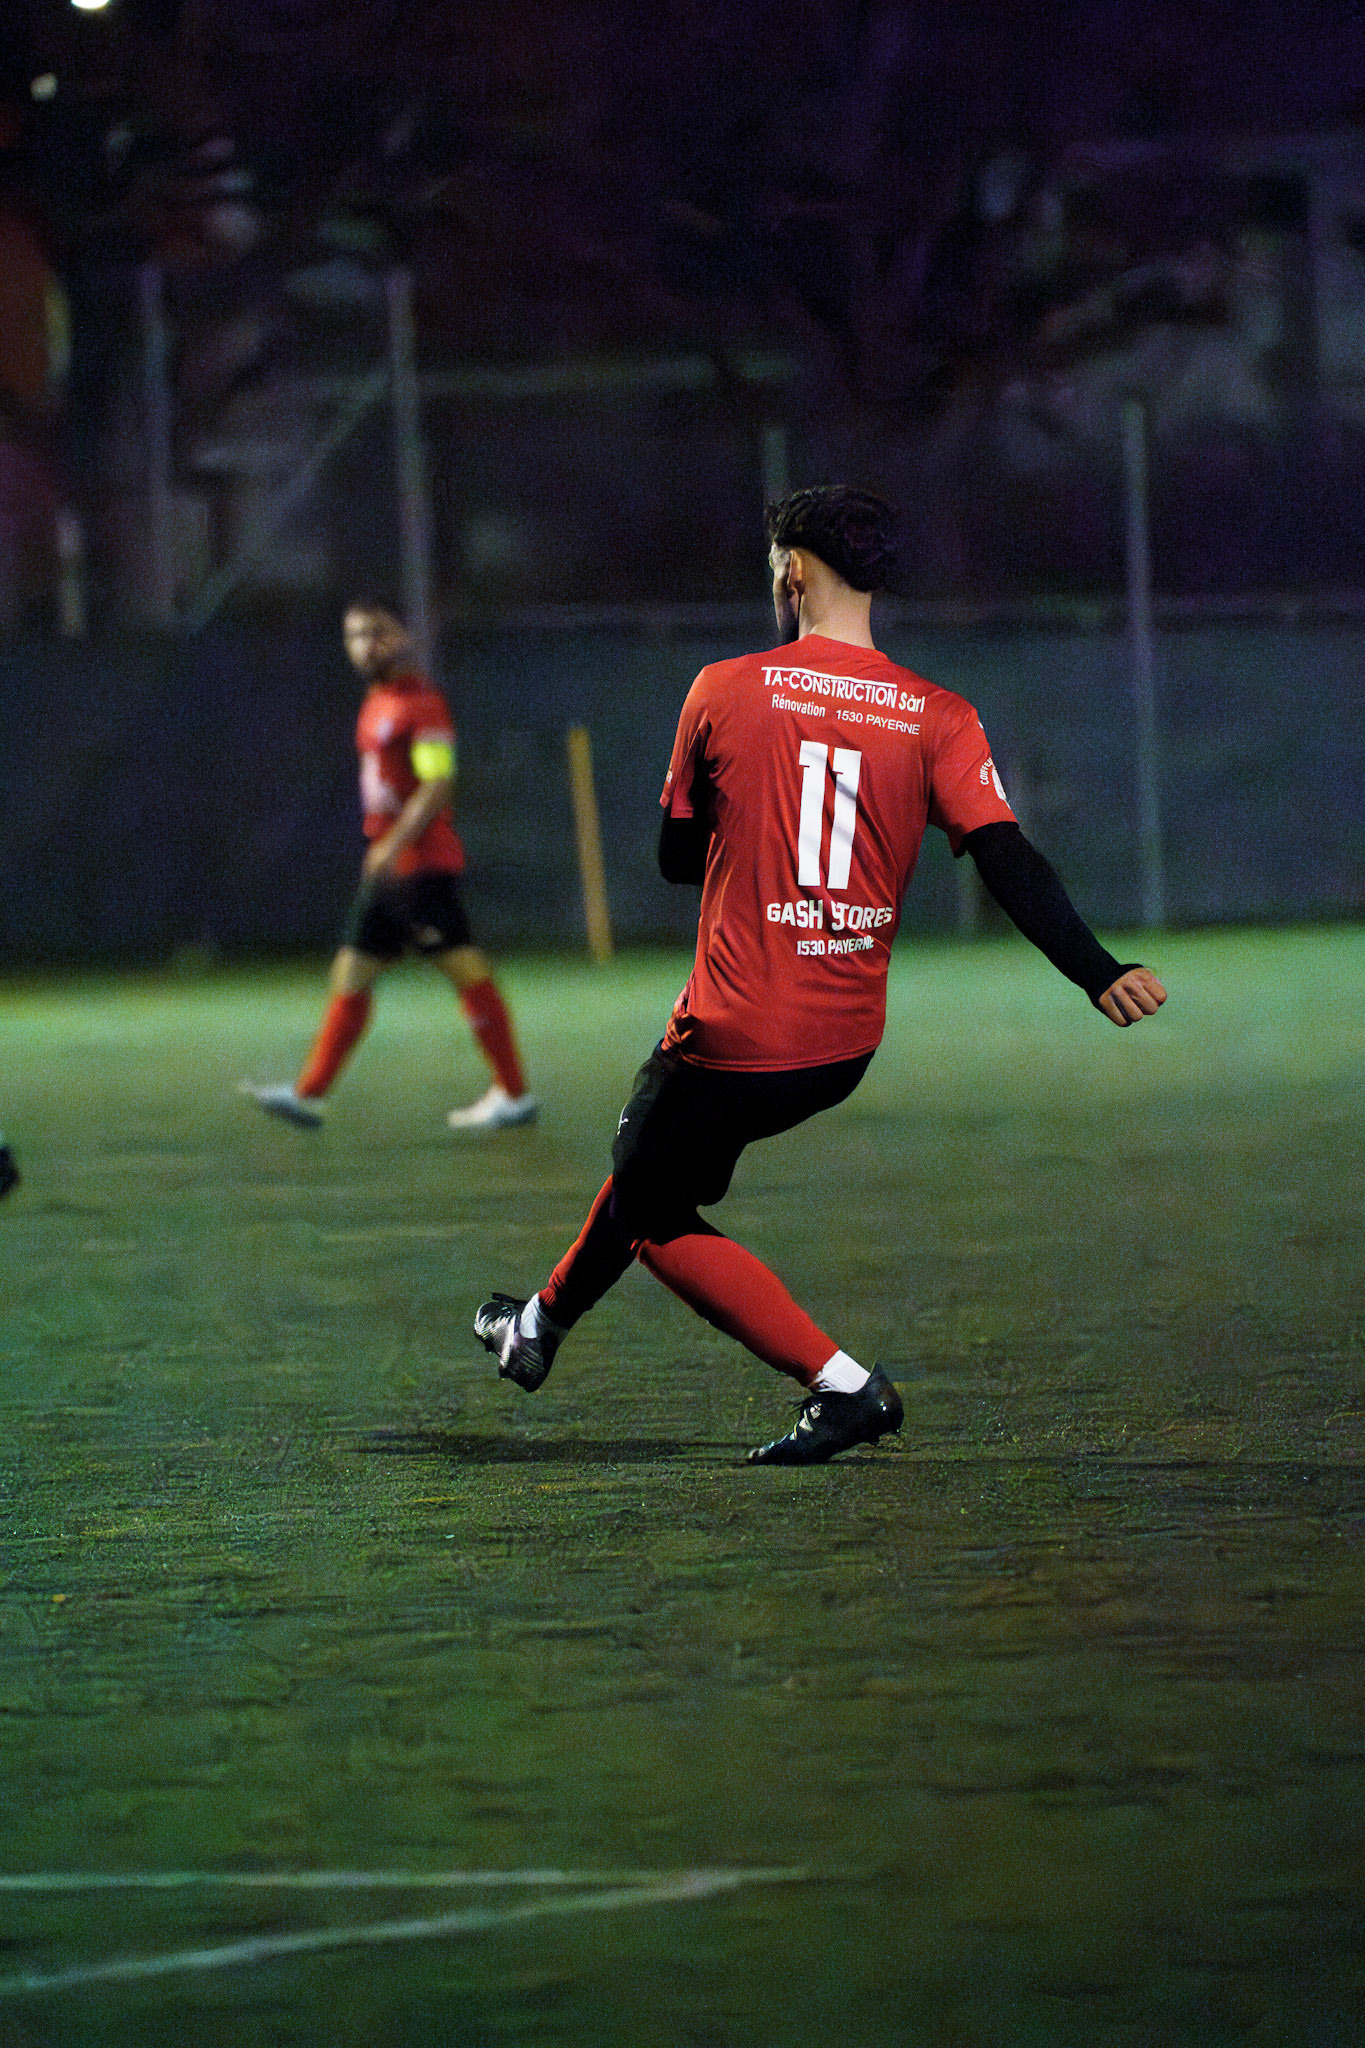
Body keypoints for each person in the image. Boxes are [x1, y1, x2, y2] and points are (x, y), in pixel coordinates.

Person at [474, 486, 1166, 1463]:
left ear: (792, 572)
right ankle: (536, 1327)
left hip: (735, 1025)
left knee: (652, 1206)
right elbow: (1008, 857)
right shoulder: (939, 715)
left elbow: (677, 859)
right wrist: (1099, 971)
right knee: (651, 1171)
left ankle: (844, 1387)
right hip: (840, 1043)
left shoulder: (724, 686)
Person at [242, 601, 536, 1133]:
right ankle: (309, 1094)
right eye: (354, 635)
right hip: (390, 866)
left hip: (420, 864)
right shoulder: (376, 702)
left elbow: (437, 783)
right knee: (352, 971)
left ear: (404, 635)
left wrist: (394, 842)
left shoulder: (422, 704)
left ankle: (513, 1094)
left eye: (378, 632)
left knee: (462, 967)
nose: (365, 644)